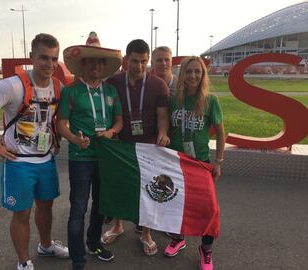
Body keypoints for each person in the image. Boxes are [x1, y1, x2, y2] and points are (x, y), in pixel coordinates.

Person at [0, 33, 69, 270]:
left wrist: (60, 138)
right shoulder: (12, 85)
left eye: (54, 59)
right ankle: (24, 262)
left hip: (46, 160)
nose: (49, 64)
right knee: (21, 214)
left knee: (46, 207)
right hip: (18, 162)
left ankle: (45, 245)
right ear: (32, 57)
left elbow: (57, 119)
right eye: (44, 58)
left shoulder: (58, 86)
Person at [58, 31, 123, 270]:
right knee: (78, 207)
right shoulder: (71, 91)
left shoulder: (110, 92)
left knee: (100, 204)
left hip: (105, 156)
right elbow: (60, 124)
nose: (95, 65)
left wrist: (111, 132)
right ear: (82, 64)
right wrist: (75, 139)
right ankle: (78, 260)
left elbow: (119, 121)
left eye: (99, 61)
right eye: (90, 61)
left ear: (104, 66)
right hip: (81, 158)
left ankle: (94, 243)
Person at [101, 39, 170, 256]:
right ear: (126, 60)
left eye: (143, 61)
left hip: (149, 145)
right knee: (119, 187)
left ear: (148, 59)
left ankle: (146, 233)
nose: (139, 66)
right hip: (121, 144)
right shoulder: (114, 82)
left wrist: (162, 133)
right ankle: (118, 225)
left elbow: (162, 116)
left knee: (149, 189)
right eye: (134, 61)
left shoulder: (159, 84)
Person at [165, 56, 225, 270]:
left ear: (202, 75)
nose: (192, 75)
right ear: (182, 75)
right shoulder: (175, 100)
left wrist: (218, 162)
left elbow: (220, 133)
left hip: (200, 163)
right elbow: (168, 128)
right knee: (175, 204)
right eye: (188, 71)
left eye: (197, 72)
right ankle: (178, 238)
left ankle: (205, 249)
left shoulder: (210, 101)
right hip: (176, 161)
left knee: (209, 209)